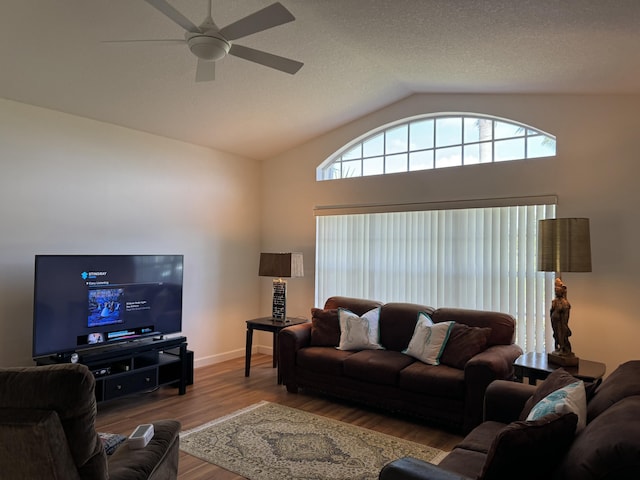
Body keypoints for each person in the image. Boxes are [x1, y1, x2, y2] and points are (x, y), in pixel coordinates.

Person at [550, 277, 572, 355]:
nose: (556, 292)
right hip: (555, 322)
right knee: (556, 335)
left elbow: (566, 316)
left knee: (562, 335)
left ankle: (564, 348)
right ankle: (558, 347)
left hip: (561, 323)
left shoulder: (565, 303)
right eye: (555, 290)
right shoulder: (555, 301)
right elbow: (551, 311)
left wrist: (565, 325)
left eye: (557, 290)